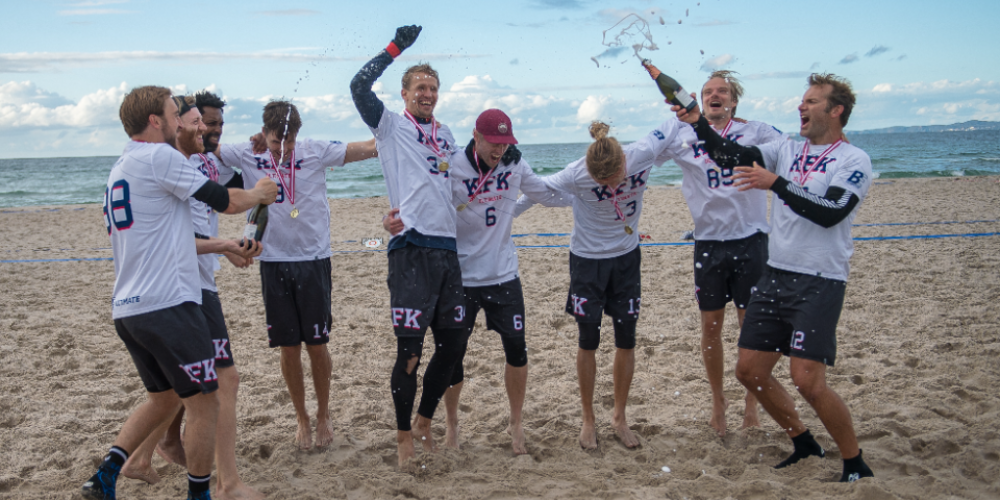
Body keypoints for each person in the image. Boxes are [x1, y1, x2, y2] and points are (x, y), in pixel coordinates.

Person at [674, 73, 875, 482]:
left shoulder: (854, 160)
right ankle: (803, 441)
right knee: (749, 371)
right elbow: (729, 153)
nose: (802, 107)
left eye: (813, 102)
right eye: (802, 101)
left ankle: (854, 462)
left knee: (807, 381)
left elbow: (831, 210)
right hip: (776, 275)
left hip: (819, 279)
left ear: (836, 111)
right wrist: (696, 121)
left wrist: (776, 184)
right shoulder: (786, 147)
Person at [83, 86, 277, 500]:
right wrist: (260, 195)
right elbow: (223, 200)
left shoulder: (121, 166)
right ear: (156, 121)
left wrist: (223, 244)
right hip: (169, 304)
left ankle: (106, 474)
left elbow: (171, 231)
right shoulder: (159, 156)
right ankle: (201, 494)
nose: (181, 120)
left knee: (165, 396)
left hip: (128, 308)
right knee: (206, 402)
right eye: (176, 114)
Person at [383, 109, 568, 456]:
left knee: (517, 350)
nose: (499, 150)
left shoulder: (514, 164)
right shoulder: (451, 163)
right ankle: (452, 424)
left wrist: (585, 192)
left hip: (503, 274)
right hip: (460, 275)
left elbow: (543, 193)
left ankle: (516, 422)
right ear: (476, 137)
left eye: (505, 143)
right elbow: (421, 198)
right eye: (493, 143)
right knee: (453, 355)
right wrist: (390, 218)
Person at [215, 100, 377, 451]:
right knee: (289, 348)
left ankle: (323, 413)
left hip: (313, 258)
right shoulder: (246, 151)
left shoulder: (314, 150)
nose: (283, 150)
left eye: (288, 142)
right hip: (273, 261)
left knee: (318, 345)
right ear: (264, 134)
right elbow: (205, 148)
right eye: (276, 142)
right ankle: (301, 416)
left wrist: (393, 132)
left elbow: (366, 149)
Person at [516, 119, 682, 450]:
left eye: (612, 180)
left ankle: (619, 417)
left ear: (624, 162)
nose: (607, 187)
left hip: (626, 259)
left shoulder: (642, 152)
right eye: (600, 182)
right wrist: (500, 217)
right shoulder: (576, 173)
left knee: (626, 340)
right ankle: (588, 419)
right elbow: (536, 193)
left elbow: (676, 122)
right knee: (588, 341)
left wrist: (691, 108)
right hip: (587, 263)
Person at [351, 25, 467, 468]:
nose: (428, 93)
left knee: (454, 346)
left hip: (448, 250)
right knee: (410, 352)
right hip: (411, 249)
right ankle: (403, 436)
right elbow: (359, 85)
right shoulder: (390, 127)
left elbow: (461, 184)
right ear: (404, 94)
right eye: (420, 87)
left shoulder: (447, 133)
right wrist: (396, 47)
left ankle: (423, 420)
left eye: (433, 88)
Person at [657, 71, 788, 437]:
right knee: (711, 328)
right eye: (708, 92)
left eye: (723, 92)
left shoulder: (757, 132)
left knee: (751, 328)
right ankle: (718, 400)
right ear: (697, 100)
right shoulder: (681, 132)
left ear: (733, 100)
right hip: (708, 244)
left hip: (750, 241)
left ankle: (752, 401)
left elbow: (793, 156)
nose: (715, 96)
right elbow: (642, 158)